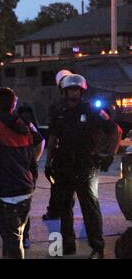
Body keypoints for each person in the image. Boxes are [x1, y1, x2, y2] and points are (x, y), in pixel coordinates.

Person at [46, 74, 117, 259]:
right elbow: (52, 138)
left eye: (77, 89)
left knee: (90, 207)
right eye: (71, 89)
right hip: (63, 164)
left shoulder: (92, 110)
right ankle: (67, 245)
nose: (74, 92)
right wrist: (48, 163)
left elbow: (115, 130)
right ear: (64, 91)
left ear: (82, 91)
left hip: (86, 165)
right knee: (64, 207)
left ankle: (97, 246)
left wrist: (109, 154)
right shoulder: (57, 110)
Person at [0, 88, 38, 259]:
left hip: (7, 194)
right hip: (26, 191)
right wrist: (31, 181)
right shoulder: (24, 126)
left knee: (12, 242)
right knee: (15, 238)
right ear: (13, 105)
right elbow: (32, 160)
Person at [42, 69, 73, 221]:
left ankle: (56, 212)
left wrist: (48, 162)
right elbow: (53, 137)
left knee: (59, 188)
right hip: (66, 158)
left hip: (69, 159)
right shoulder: (58, 108)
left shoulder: (57, 108)